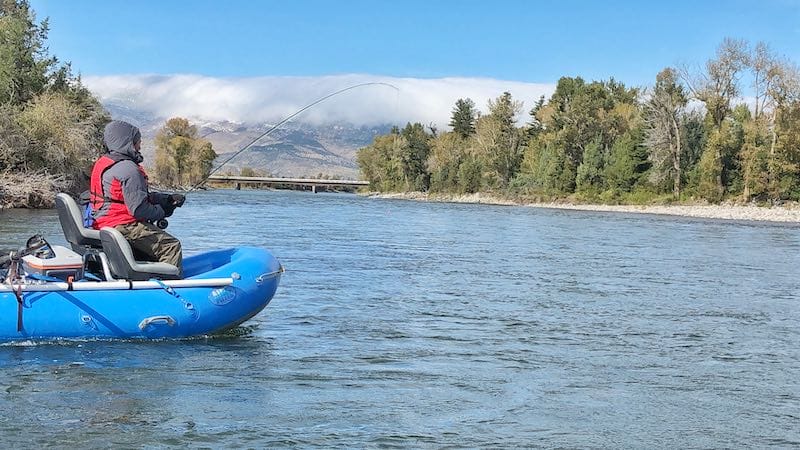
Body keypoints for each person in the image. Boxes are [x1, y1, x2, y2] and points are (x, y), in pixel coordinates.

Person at [89, 120, 186, 275]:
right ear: (127, 142)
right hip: (122, 224)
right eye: (137, 141)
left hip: (102, 221)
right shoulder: (129, 169)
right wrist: (163, 211)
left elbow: (122, 197)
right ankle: (171, 289)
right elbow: (139, 209)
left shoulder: (104, 162)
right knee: (171, 246)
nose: (140, 145)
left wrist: (165, 199)